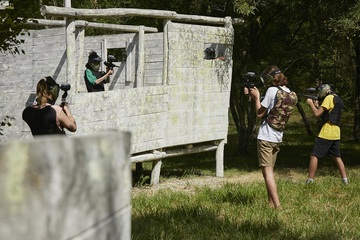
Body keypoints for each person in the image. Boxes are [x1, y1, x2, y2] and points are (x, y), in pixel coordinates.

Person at [247, 65, 297, 209]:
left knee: (267, 173)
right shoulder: (289, 92)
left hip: (266, 136)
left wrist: (256, 98)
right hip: (278, 137)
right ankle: (270, 204)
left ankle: (278, 206)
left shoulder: (271, 91)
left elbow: (259, 113)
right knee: (270, 171)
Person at [305, 84, 348, 184]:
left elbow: (316, 114)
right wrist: (316, 105)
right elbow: (326, 112)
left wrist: (311, 104)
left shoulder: (328, 98)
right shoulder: (337, 98)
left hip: (327, 132)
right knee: (336, 157)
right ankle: (345, 180)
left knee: (314, 155)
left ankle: (310, 180)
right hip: (336, 132)